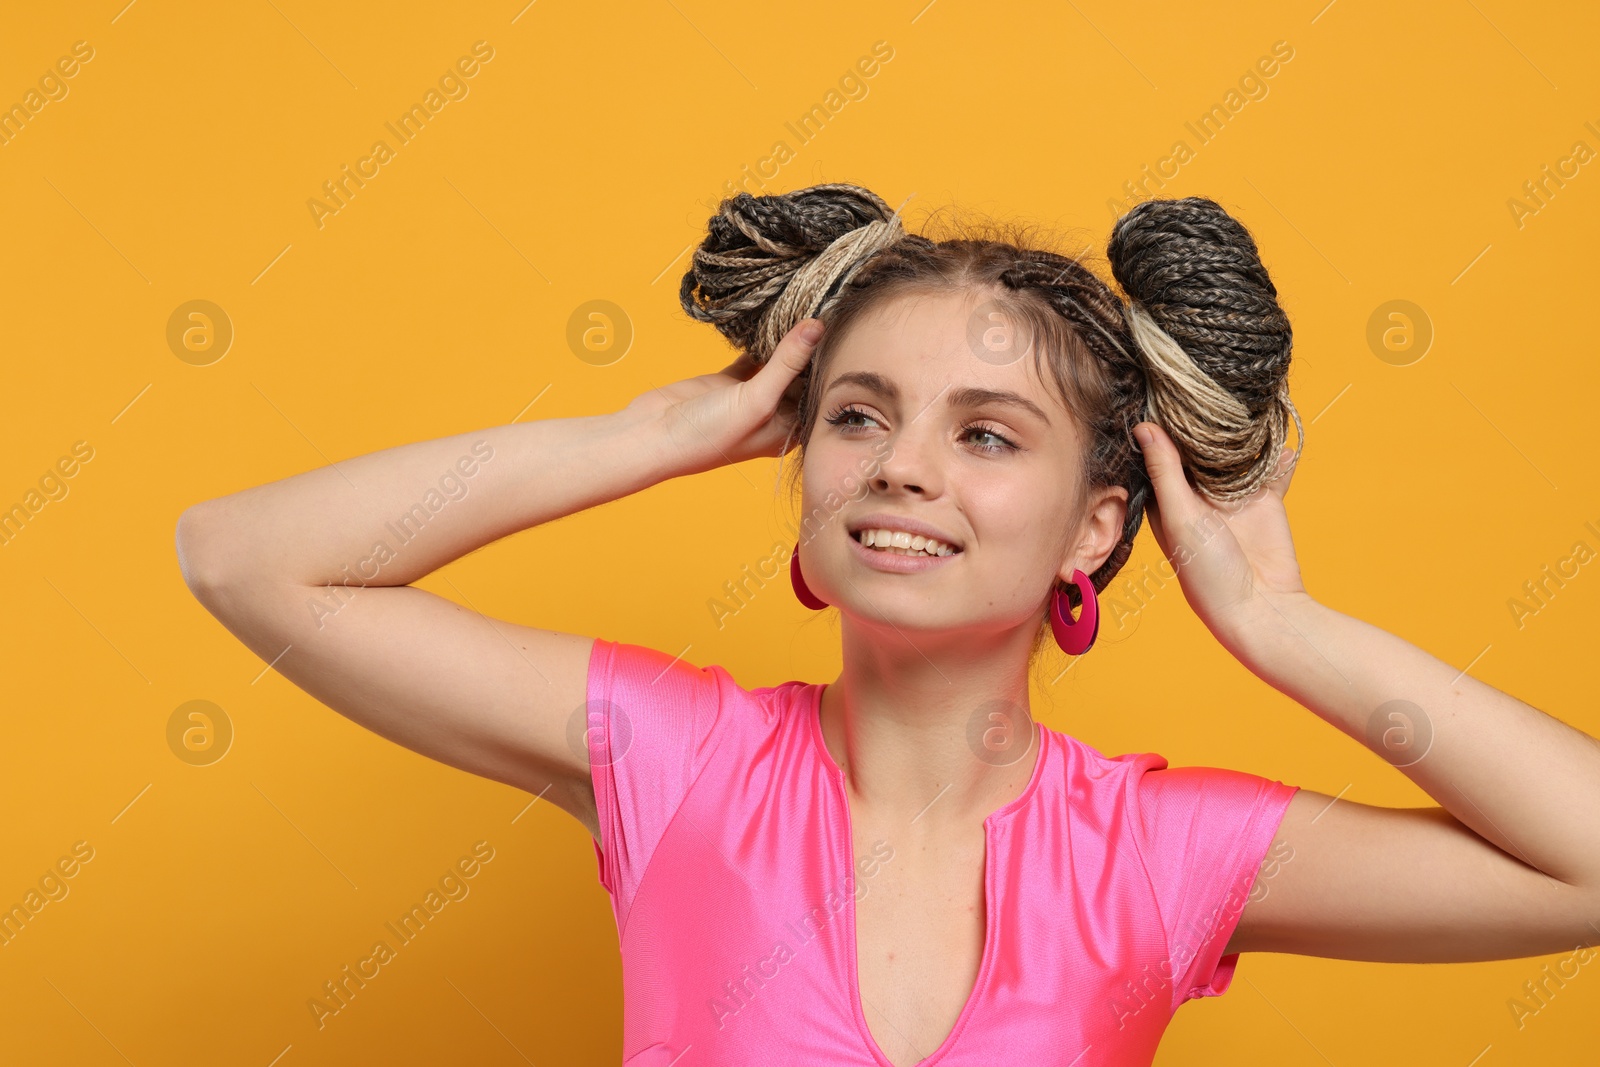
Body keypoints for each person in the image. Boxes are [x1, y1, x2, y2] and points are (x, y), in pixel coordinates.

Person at [175, 183, 1600, 1067]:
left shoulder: (1161, 858)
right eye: (859, 417)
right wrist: (646, 433)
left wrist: (1286, 628)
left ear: (1095, 529)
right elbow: (246, 560)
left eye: (988, 435)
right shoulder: (679, 767)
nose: (901, 465)